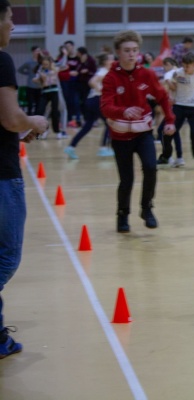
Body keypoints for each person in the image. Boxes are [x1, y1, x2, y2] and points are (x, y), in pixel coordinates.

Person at [0, 0, 50, 358]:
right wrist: (33, 122)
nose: (13, 25)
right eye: (10, 18)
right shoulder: (1, 60)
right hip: (2, 176)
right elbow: (9, 118)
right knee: (7, 256)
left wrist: (17, 133)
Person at [101, 30, 175, 233]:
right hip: (120, 137)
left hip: (143, 134)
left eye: (135, 50)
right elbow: (105, 106)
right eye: (127, 50)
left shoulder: (147, 74)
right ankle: (122, 215)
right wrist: (122, 111)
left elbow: (162, 97)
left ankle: (147, 208)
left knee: (151, 168)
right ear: (118, 52)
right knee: (127, 180)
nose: (131, 54)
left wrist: (169, 120)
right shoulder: (110, 78)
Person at [159, 52, 194, 169]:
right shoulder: (178, 72)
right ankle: (166, 156)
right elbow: (170, 79)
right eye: (184, 66)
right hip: (179, 106)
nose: (185, 68)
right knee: (167, 131)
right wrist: (168, 82)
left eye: (188, 66)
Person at [64, 52, 115, 159]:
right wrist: (102, 91)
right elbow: (92, 81)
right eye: (110, 59)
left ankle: (71, 147)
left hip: (92, 101)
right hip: (98, 100)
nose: (113, 61)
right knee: (110, 123)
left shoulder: (105, 71)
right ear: (105, 61)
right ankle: (103, 148)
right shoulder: (103, 71)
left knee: (88, 126)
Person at [156, 57, 183, 166]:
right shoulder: (182, 71)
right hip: (183, 105)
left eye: (164, 67)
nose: (164, 69)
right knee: (175, 132)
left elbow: (170, 88)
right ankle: (179, 157)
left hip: (175, 106)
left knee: (162, 130)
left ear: (168, 64)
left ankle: (168, 157)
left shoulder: (169, 74)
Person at [33, 56, 67, 139]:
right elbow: (36, 79)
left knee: (55, 112)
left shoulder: (54, 69)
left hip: (54, 92)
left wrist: (55, 65)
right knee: (40, 111)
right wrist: (37, 80)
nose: (45, 65)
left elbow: (65, 66)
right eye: (43, 64)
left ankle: (57, 131)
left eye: (46, 64)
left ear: (49, 63)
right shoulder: (41, 71)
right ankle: (43, 131)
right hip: (45, 92)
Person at [57, 40, 82, 127]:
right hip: (65, 82)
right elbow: (58, 69)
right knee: (66, 101)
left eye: (69, 46)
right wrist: (68, 73)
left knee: (76, 101)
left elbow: (82, 68)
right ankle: (68, 119)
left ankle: (78, 119)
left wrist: (78, 72)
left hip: (76, 82)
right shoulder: (62, 58)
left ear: (73, 46)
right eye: (66, 46)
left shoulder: (78, 58)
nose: (68, 48)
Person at [17, 45, 42, 115]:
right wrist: (28, 73)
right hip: (30, 85)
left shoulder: (41, 62)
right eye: (37, 51)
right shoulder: (29, 62)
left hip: (39, 86)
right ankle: (29, 117)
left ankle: (37, 117)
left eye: (39, 51)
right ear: (33, 52)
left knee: (38, 104)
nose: (38, 52)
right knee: (30, 104)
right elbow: (20, 70)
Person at [75, 47, 97, 116]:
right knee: (80, 100)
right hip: (80, 82)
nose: (77, 54)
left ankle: (89, 115)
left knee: (86, 99)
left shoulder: (90, 60)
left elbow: (94, 71)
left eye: (78, 52)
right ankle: (84, 115)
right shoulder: (78, 60)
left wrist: (87, 71)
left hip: (88, 83)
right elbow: (77, 70)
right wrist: (82, 63)